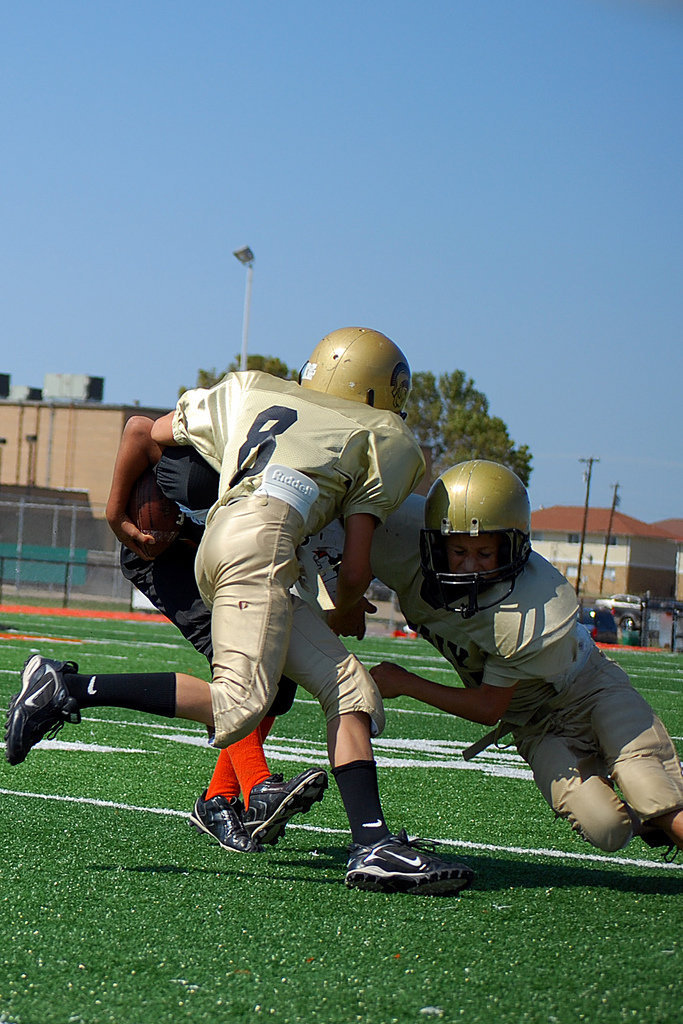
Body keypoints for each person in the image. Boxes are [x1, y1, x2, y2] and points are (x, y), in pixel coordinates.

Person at [5, 327, 474, 895]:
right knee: (239, 704)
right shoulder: (384, 437)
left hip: (224, 543)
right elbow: (354, 569)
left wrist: (115, 513)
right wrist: (348, 608)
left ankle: (372, 844)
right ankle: (68, 689)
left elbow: (143, 430)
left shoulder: (252, 390)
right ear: (386, 392)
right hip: (261, 546)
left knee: (348, 689)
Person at [368, 460, 683, 858]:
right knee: (607, 829)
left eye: (485, 552)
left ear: (511, 547)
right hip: (535, 725)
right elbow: (351, 529)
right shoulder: (402, 540)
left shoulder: (527, 608)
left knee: (650, 789)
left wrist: (406, 682)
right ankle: (651, 820)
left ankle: (665, 806)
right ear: (434, 542)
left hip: (588, 689)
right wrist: (344, 600)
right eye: (459, 550)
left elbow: (487, 707)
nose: (469, 565)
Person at [112, 420, 328, 854]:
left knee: (278, 681)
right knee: (238, 664)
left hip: (233, 557)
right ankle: (258, 788)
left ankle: (217, 800)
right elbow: (138, 430)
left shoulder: (306, 468)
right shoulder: (216, 449)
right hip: (166, 553)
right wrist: (115, 512)